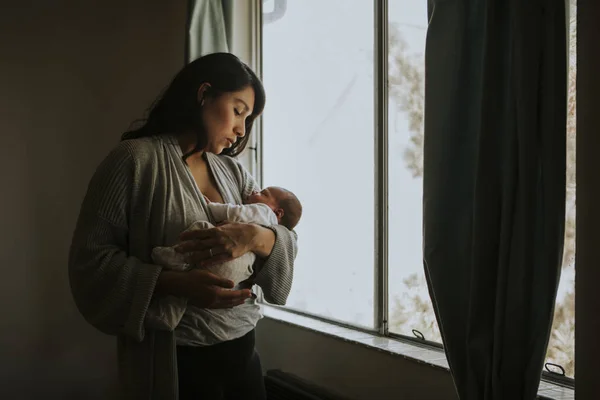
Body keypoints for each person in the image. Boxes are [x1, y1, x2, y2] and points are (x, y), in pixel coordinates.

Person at [68, 52, 298, 400]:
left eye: (247, 119)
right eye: (237, 111)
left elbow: (282, 232)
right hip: (176, 359)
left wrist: (254, 236)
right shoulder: (133, 161)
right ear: (204, 94)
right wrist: (175, 283)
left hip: (243, 352)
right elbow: (90, 264)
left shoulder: (232, 172)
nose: (240, 131)